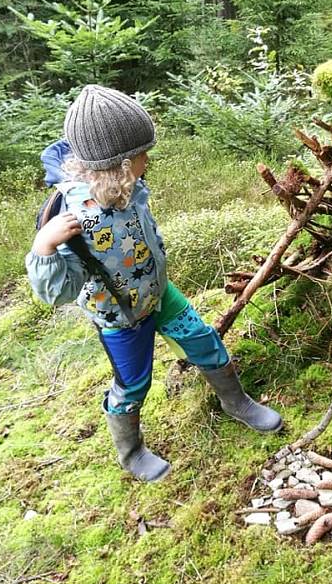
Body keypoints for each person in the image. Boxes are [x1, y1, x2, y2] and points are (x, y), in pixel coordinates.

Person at [25, 84, 283, 484]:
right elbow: (57, 292)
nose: (149, 159)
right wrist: (44, 246)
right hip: (120, 317)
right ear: (122, 163)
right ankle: (131, 452)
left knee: (202, 339)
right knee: (133, 384)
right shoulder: (71, 219)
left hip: (159, 294)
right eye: (143, 154)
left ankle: (237, 403)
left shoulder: (129, 189)